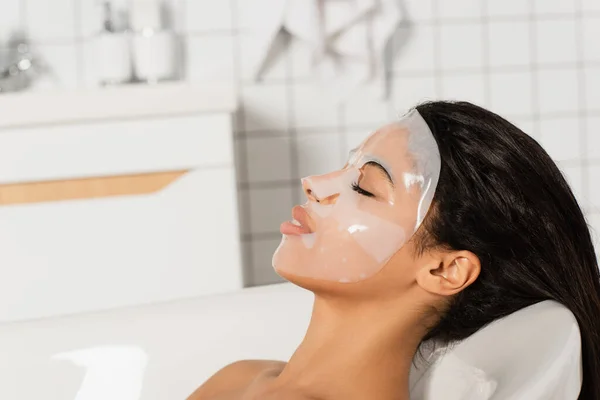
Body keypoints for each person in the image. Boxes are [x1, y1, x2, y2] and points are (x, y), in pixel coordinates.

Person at [188, 101, 600, 400]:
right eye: (347, 167)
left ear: (444, 270)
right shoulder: (240, 377)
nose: (313, 183)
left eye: (364, 187)